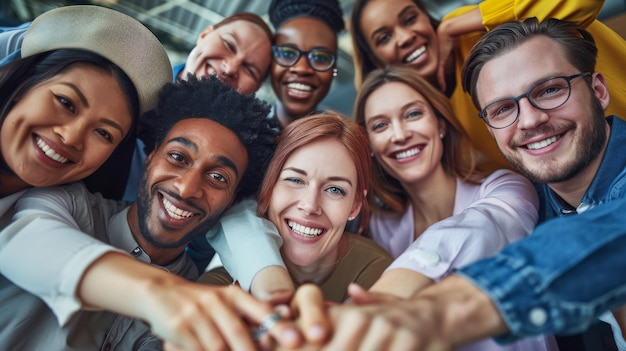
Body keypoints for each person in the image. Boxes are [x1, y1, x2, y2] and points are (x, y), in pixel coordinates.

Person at [292, 17, 626, 351]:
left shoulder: (509, 190)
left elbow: (487, 225)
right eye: (502, 109)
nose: (530, 119)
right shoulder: (548, 199)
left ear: (599, 90)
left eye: (551, 89)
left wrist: (417, 305)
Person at [0, 76, 303, 350]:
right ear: (151, 156)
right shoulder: (67, 204)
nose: (186, 189)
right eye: (177, 157)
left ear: (232, 200)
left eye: (218, 177)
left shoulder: (200, 288)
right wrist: (160, 294)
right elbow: (21, 241)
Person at [351, 65, 556, 351]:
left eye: (412, 114)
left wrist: (393, 290)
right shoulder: (380, 227)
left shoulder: (503, 187)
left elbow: (483, 226)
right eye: (380, 125)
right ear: (370, 145)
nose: (399, 135)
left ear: (441, 124)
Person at [349, 0, 626, 173]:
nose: (405, 37)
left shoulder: (478, 33)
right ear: (375, 59)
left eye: (410, 19)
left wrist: (454, 26)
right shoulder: (425, 122)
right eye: (384, 37)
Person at [199, 113, 392, 303]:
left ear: (355, 205)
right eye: (295, 180)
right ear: (268, 188)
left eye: (334, 189)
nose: (310, 206)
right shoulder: (222, 284)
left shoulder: (377, 270)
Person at [0, 5, 171, 217]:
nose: (71, 137)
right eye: (66, 103)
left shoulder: (68, 223)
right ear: (24, 85)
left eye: (103, 133)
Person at [267, 0, 345, 129]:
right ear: (270, 60)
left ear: (334, 68)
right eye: (287, 54)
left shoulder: (349, 144)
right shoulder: (240, 135)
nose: (302, 68)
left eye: (320, 57)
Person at [173, 12, 273, 95]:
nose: (230, 69)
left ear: (256, 88)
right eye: (229, 45)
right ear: (204, 35)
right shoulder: (157, 73)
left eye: (249, 70)